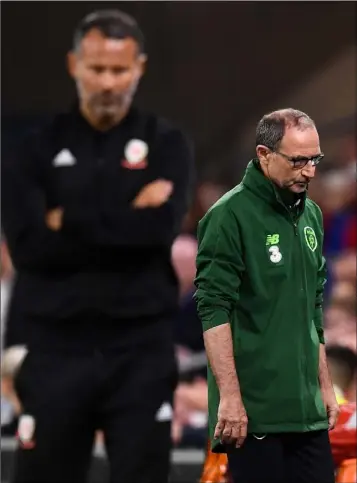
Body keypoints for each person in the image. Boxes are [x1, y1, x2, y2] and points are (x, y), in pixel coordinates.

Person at [2, 9, 194, 483]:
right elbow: (29, 249)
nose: (108, 82)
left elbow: (157, 233)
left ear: (140, 68)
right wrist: (130, 212)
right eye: (97, 69)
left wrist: (66, 217)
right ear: (74, 65)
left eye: (119, 70)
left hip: (140, 349)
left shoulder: (168, 144)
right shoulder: (33, 148)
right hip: (55, 346)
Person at [194, 108, 339, 483]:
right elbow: (213, 309)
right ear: (264, 154)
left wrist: (323, 385)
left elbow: (314, 307)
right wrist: (229, 397)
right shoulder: (229, 216)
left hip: (307, 410)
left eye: (315, 159)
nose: (310, 170)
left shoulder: (312, 216)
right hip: (253, 413)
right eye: (298, 160)